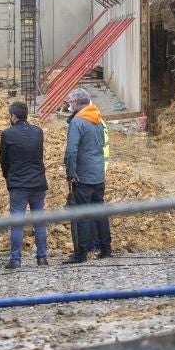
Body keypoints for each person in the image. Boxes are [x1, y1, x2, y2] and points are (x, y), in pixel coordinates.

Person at [63, 88, 110, 264]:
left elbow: (71, 150)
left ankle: (81, 254)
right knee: (99, 212)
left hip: (83, 175)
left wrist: (71, 172)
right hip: (98, 174)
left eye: (69, 102)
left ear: (76, 103)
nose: (68, 105)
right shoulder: (97, 119)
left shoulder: (78, 122)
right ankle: (106, 249)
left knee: (82, 214)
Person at [0, 101, 49, 269]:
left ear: (13, 116)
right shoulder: (38, 132)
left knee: (17, 222)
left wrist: (9, 178)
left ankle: (15, 259)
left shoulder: (7, 134)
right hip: (38, 183)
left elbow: (4, 162)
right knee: (39, 221)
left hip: (18, 185)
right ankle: (42, 257)